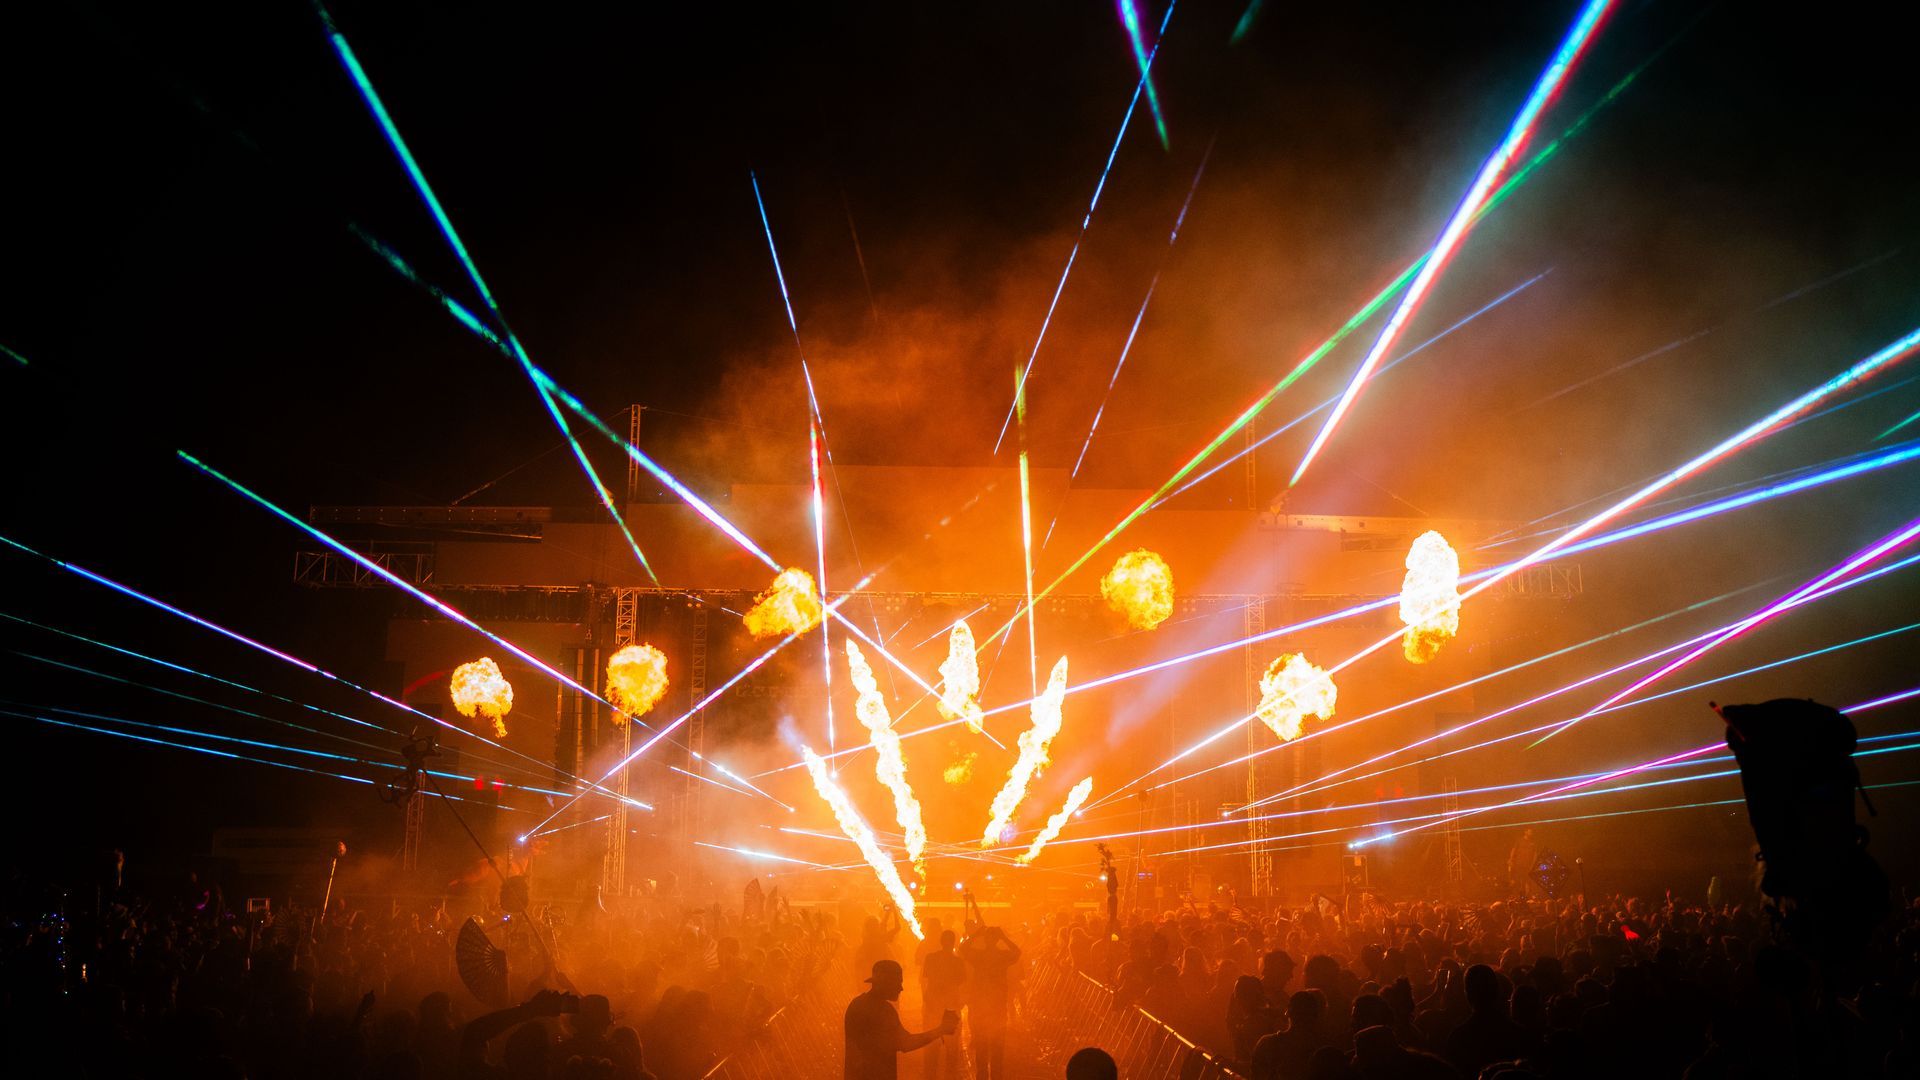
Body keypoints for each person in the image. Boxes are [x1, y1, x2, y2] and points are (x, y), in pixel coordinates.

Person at [846, 959, 959, 1080]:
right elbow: (905, 1043)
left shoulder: (857, 1004)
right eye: (897, 983)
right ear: (886, 983)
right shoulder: (883, 1011)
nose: (901, 988)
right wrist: (941, 1030)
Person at [960, 923, 1021, 1080]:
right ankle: (996, 1076)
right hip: (998, 1004)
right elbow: (1017, 951)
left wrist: (975, 935)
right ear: (996, 940)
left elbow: (963, 948)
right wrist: (1004, 938)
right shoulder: (1002, 956)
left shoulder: (979, 956)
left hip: (980, 1004)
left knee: (981, 1045)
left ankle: (981, 1076)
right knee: (997, 1045)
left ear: (986, 940)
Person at [920, 930, 968, 1080]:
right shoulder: (958, 961)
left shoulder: (931, 958)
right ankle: (949, 1075)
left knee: (932, 1045)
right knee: (951, 1047)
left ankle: (931, 1076)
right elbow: (961, 982)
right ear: (953, 942)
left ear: (941, 941)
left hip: (935, 1005)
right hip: (949, 1005)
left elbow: (925, 978)